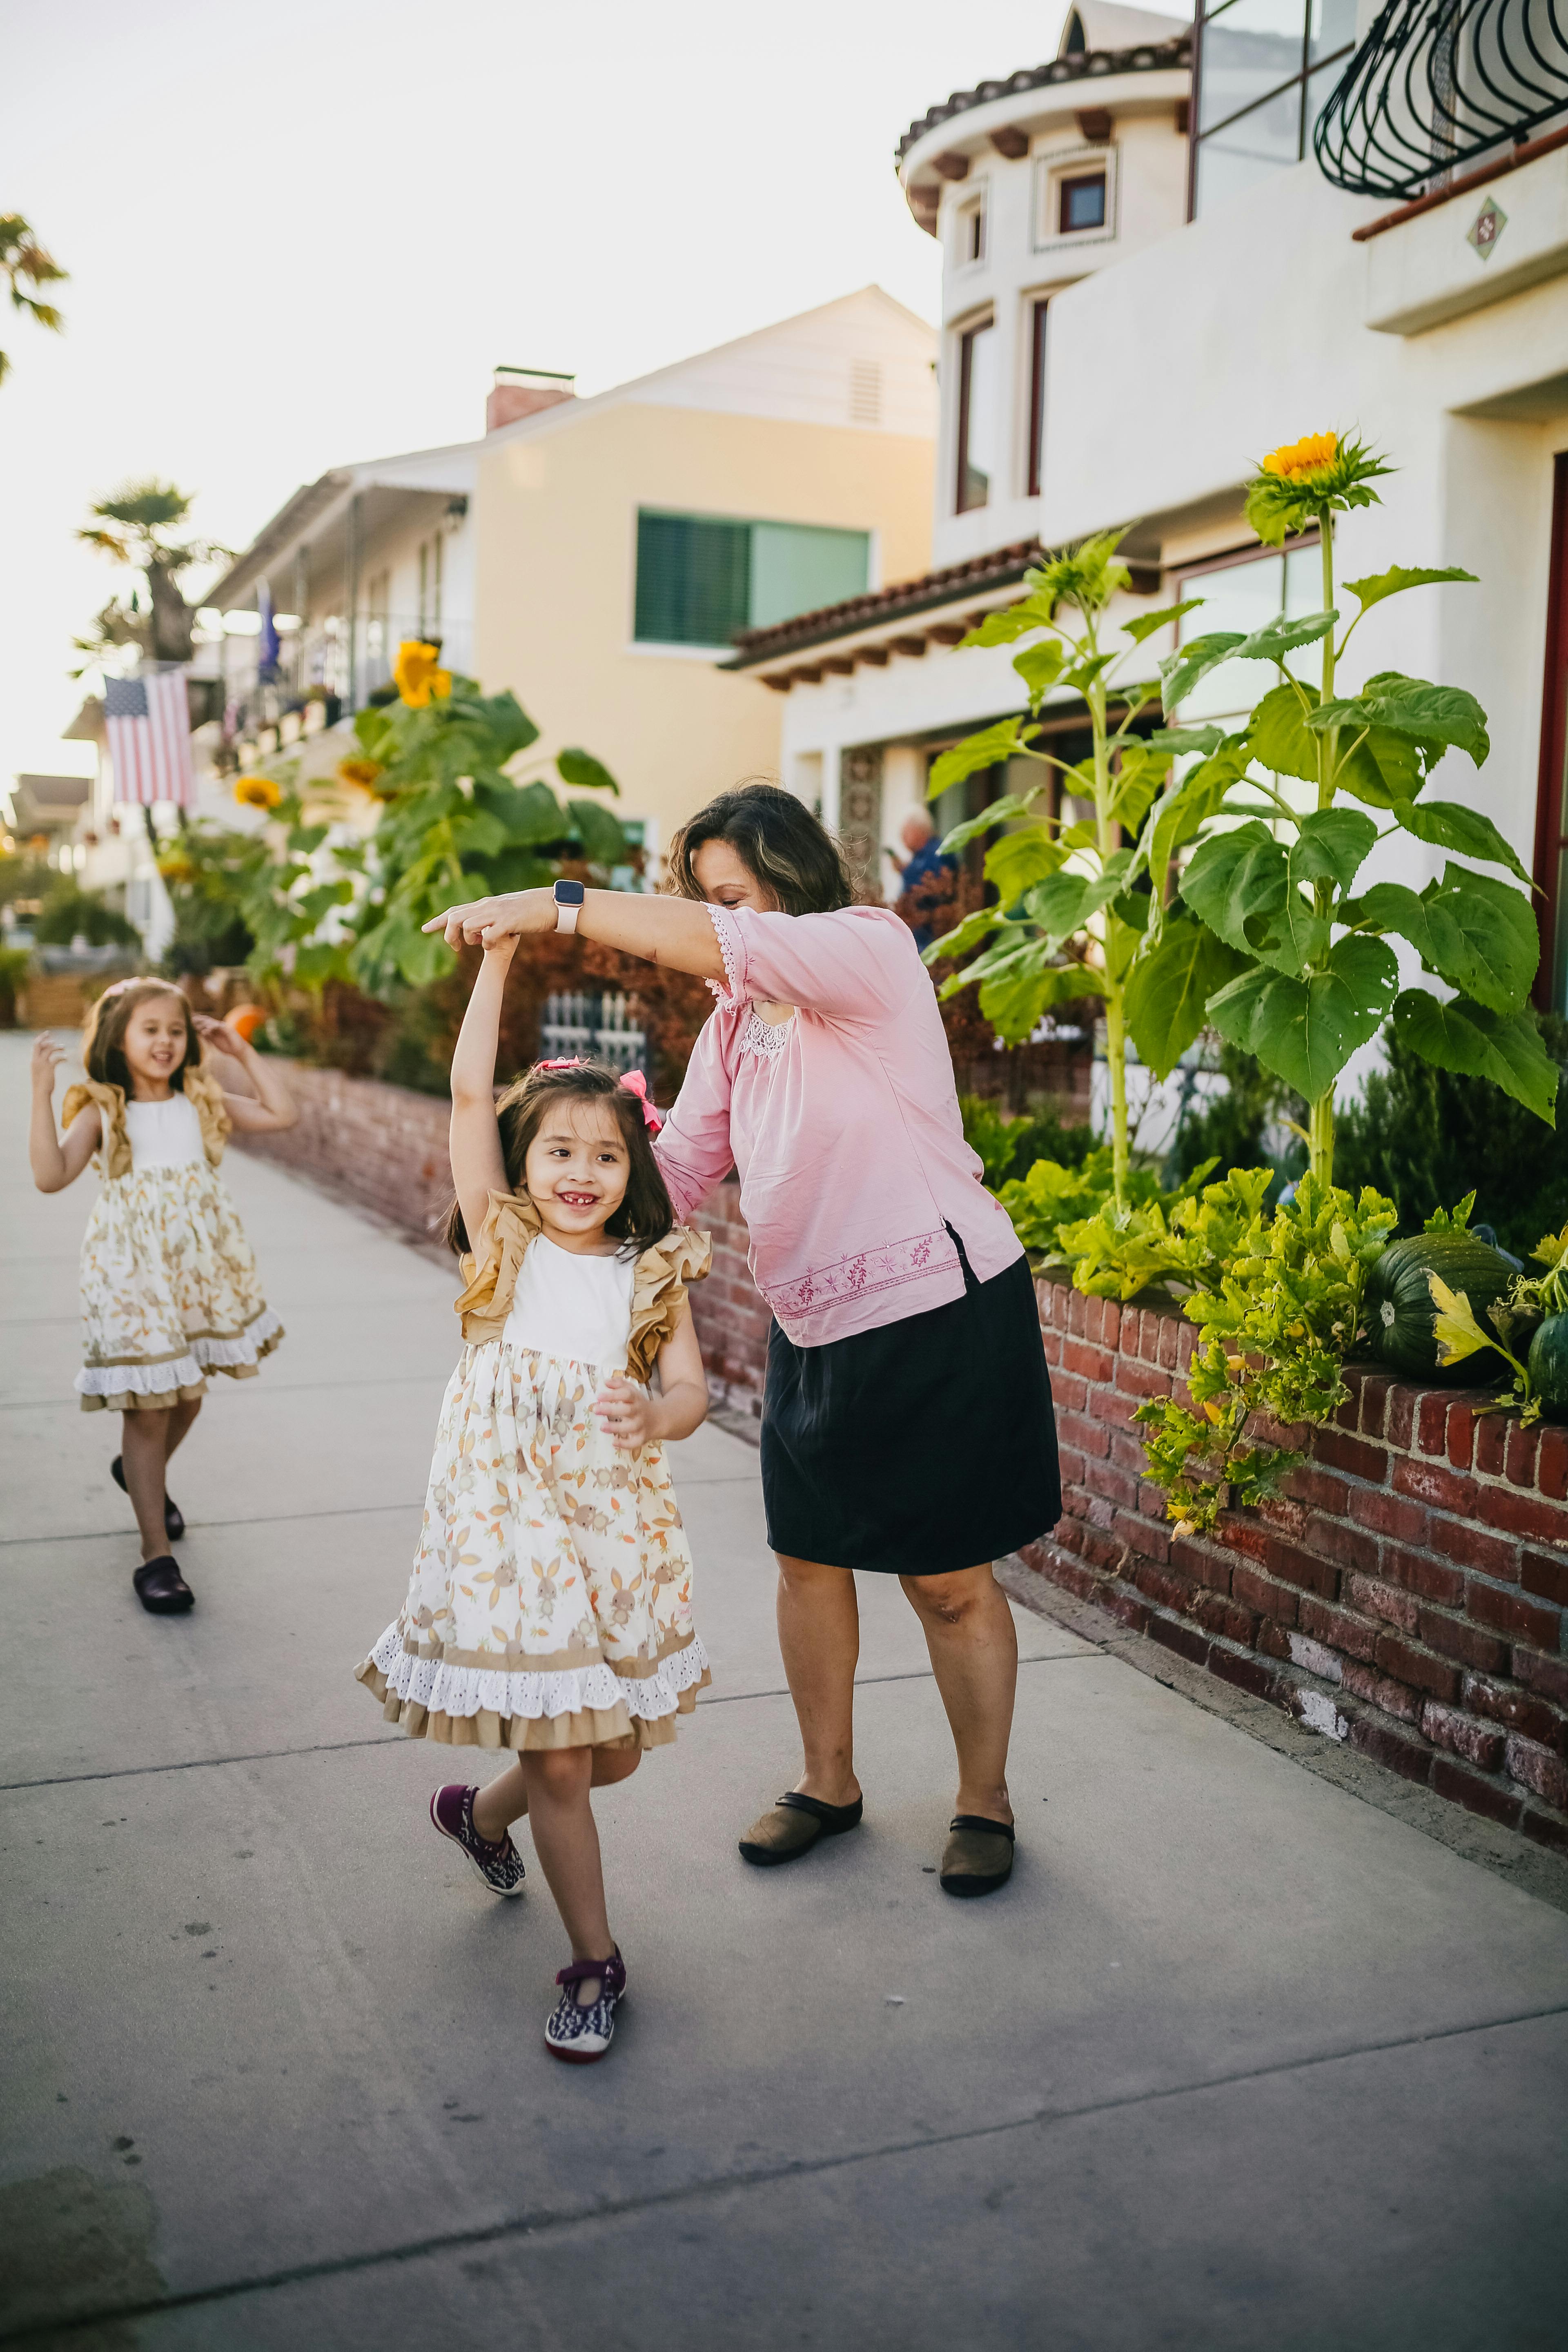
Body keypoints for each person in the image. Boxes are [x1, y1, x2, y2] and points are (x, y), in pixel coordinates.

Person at [422, 782, 1061, 1900]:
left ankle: (984, 1802)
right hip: (813, 1326)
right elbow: (673, 1177)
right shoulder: (733, 1029)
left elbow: (709, 944)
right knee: (808, 1563)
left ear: (790, 883)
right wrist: (544, 1225)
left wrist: (556, 907)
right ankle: (829, 1784)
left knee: (947, 1581)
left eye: (732, 898)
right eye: (707, 897)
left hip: (938, 1309)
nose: (714, 923)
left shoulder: (867, 954)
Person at [356, 933, 712, 2065]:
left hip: (608, 1518)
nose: (579, 1172)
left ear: (631, 1172)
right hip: (509, 1529)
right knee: (566, 1754)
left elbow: (694, 1389)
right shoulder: (499, 1243)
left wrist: (658, 1417)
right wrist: (500, 956)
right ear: (524, 1158)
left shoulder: (651, 1266)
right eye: (558, 1150)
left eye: (604, 1157)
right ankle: (595, 1964)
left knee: (610, 1754)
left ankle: (480, 1814)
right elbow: (468, 1090)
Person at [27, 978, 296, 1615]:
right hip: (130, 1279)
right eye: (150, 1030)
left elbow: (283, 1114)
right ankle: (156, 1556)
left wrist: (242, 1050)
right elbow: (49, 1177)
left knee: (189, 1396)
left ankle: (137, 1473)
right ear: (119, 1039)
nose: (166, 1042)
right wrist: (40, 1095)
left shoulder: (201, 1100)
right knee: (146, 1409)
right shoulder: (104, 1109)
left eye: (175, 1031)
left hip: (197, 1274)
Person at [885, 807, 958, 953]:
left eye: (905, 832)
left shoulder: (938, 853)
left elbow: (929, 890)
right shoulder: (920, 856)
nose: (902, 837)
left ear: (920, 830)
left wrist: (907, 872)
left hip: (931, 933)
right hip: (920, 932)